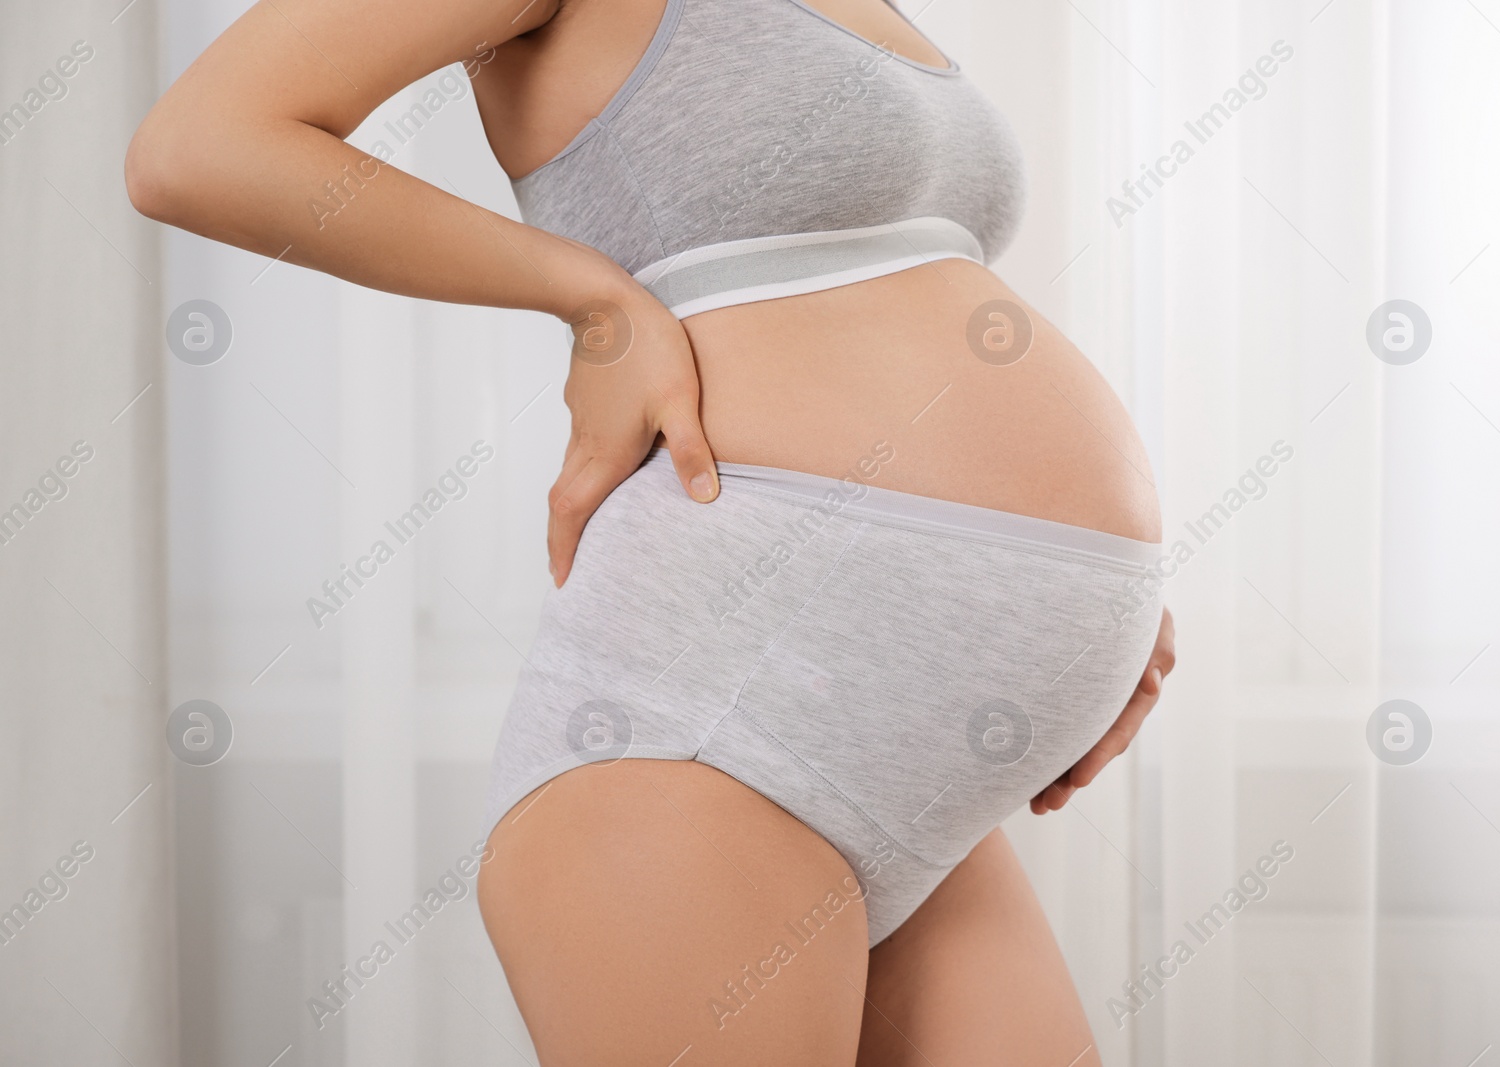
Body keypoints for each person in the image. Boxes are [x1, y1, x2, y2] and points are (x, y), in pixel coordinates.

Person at [127, 0, 1177, 1062]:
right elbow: (199, 146)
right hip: (715, 720)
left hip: (920, 770)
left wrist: (1097, 595)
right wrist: (593, 301)